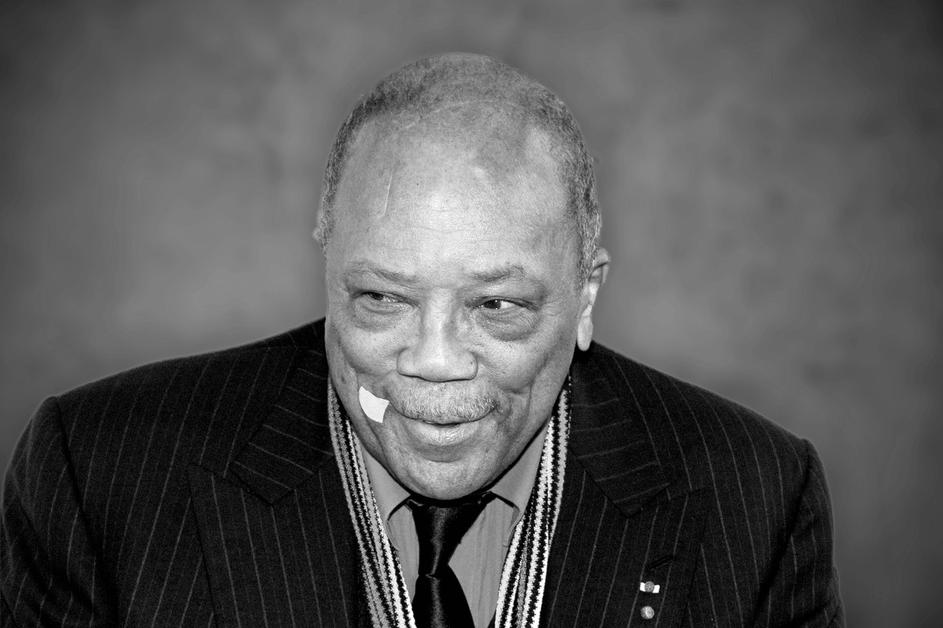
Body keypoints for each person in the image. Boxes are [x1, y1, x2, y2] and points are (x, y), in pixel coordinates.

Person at [1, 53, 843, 627]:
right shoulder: (99, 474)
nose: (434, 361)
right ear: (327, 264)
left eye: (497, 306)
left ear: (586, 293)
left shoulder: (755, 499)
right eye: (381, 299)